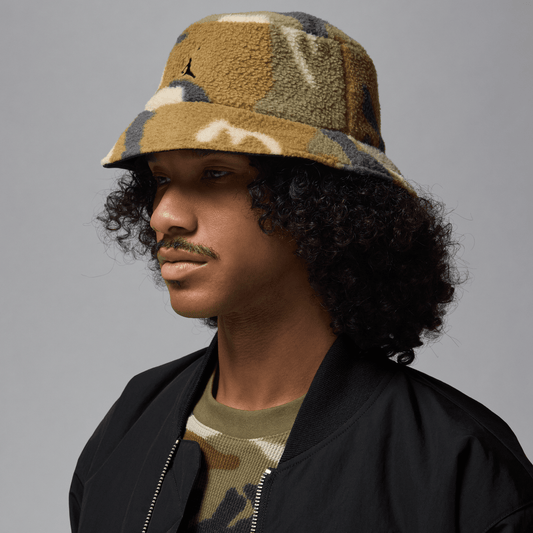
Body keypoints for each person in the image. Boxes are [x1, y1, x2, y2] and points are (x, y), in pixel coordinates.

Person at [70, 11, 533, 533]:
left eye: (216, 173)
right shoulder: (130, 424)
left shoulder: (458, 467)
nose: (163, 216)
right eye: (159, 180)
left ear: (322, 202)